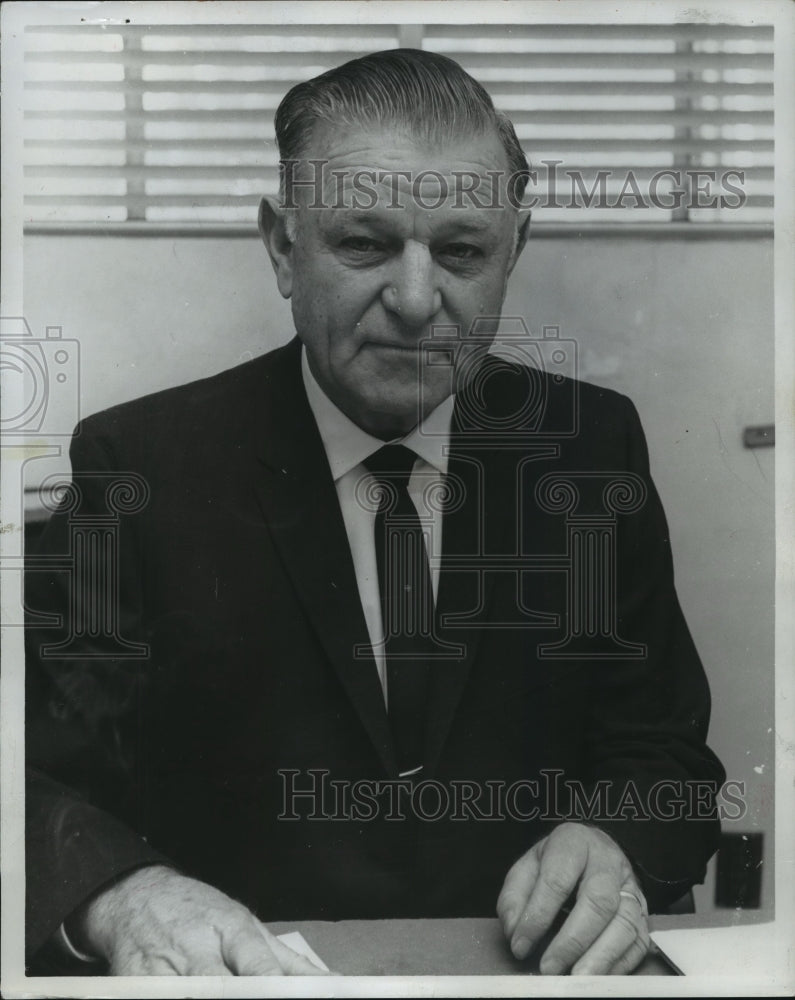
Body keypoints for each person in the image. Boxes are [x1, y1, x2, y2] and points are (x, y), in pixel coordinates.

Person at [25, 48, 725, 977]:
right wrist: (119, 893)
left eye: (462, 250)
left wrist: (618, 844)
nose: (413, 300)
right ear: (282, 246)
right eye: (363, 242)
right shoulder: (139, 464)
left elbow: (664, 756)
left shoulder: (588, 448)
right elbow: (33, 776)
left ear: (514, 248)